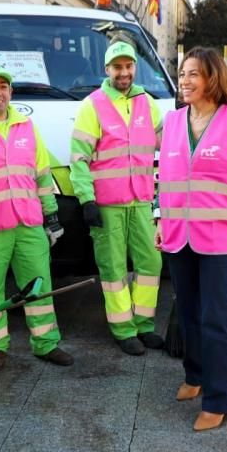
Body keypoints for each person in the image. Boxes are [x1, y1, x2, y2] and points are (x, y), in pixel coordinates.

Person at [157, 47, 227, 431]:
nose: (185, 81)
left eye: (193, 74)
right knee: (187, 312)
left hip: (220, 237)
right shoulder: (172, 121)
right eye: (182, 73)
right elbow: (165, 176)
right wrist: (159, 218)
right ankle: (196, 375)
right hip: (177, 234)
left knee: (216, 318)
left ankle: (220, 400)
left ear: (213, 79)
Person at [0, 62, 74, 371]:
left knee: (39, 285)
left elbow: (43, 176)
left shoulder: (27, 127)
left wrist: (51, 217)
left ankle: (46, 343)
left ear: (10, 91)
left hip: (29, 224)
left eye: (3, 87)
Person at [70, 41, 164, 355]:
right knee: (113, 269)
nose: (123, 73)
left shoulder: (148, 103)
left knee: (151, 262)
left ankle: (144, 324)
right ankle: (124, 329)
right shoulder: (92, 105)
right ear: (107, 70)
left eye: (128, 66)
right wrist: (86, 199)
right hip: (107, 204)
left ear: (134, 68)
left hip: (141, 201)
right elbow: (79, 158)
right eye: (117, 67)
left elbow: (166, 147)